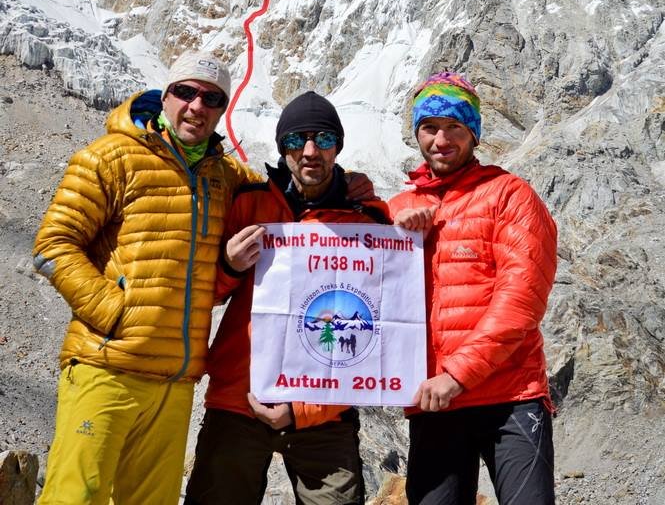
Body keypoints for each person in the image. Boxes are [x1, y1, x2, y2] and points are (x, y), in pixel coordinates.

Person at [33, 51, 262, 505]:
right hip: (106, 366)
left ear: (223, 109)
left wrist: (350, 185)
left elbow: (284, 197)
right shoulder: (111, 156)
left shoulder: (224, 173)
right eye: (186, 92)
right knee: (76, 496)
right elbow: (51, 246)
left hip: (175, 385)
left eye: (212, 98)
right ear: (166, 96)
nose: (197, 106)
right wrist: (116, 314)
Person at [184, 91, 391, 505]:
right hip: (239, 402)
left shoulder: (366, 219)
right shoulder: (249, 203)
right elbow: (202, 296)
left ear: (339, 147)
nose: (310, 151)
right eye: (297, 140)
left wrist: (304, 409)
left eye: (324, 139)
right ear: (282, 148)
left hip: (325, 410)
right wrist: (228, 266)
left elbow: (381, 322)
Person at [390, 72, 557, 505]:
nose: (441, 139)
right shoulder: (399, 208)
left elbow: (521, 300)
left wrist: (457, 375)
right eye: (430, 128)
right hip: (434, 402)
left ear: (474, 134)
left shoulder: (510, 195)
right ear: (417, 134)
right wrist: (389, 237)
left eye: (454, 128)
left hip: (510, 397)